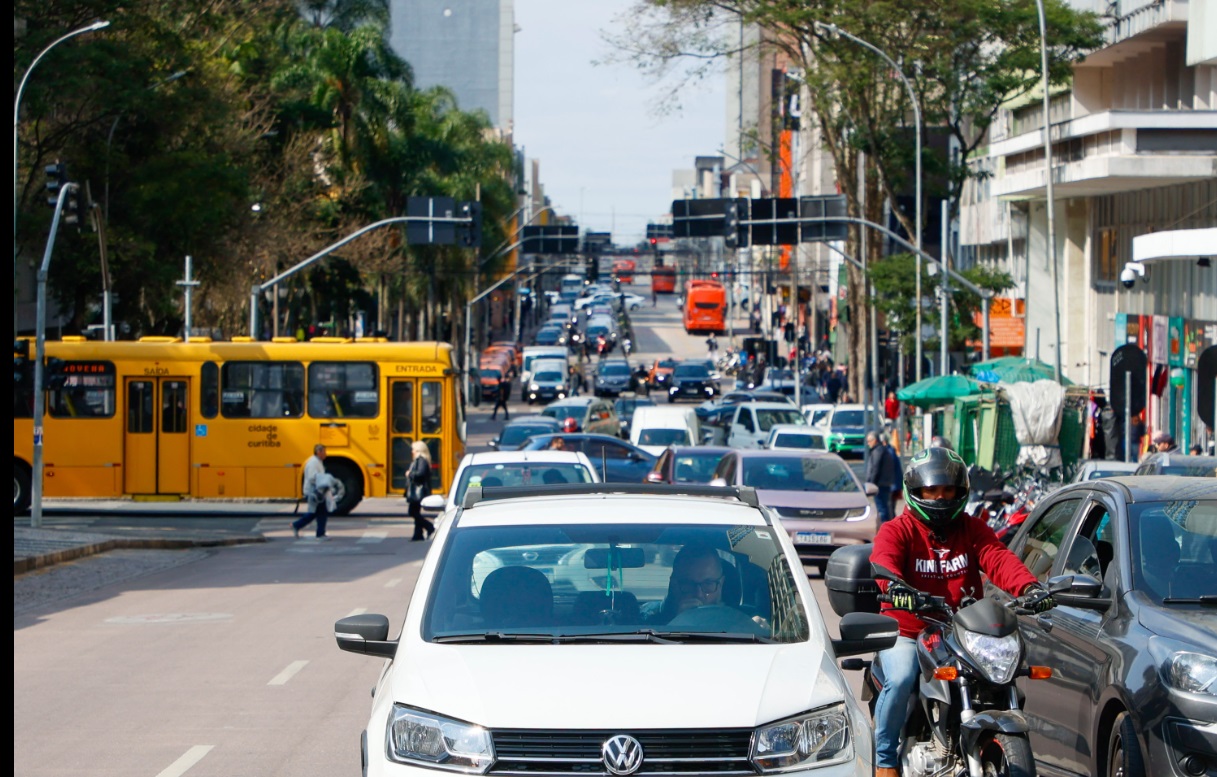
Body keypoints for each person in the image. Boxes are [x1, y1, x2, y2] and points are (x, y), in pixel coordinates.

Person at [869, 448, 1054, 777]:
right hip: (910, 632)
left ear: (960, 492)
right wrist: (896, 590)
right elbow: (884, 565)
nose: (940, 498)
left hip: (963, 631)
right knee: (900, 679)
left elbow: (997, 558)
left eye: (948, 490)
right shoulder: (897, 530)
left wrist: (1030, 588)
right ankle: (884, 761)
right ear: (916, 492)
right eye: (931, 491)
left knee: (1002, 675)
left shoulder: (972, 528)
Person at [292, 444, 332, 539]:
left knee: (316, 512)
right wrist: (323, 481)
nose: (326, 454)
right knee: (320, 512)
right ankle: (319, 533)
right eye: (324, 452)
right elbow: (312, 477)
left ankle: (297, 525)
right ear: (319, 452)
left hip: (317, 492)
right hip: (313, 493)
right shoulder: (313, 463)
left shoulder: (317, 462)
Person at [864, 430, 901, 524]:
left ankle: (886, 528)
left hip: (880, 484)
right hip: (885, 483)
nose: (868, 444)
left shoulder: (878, 451)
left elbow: (875, 468)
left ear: (875, 440)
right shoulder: (883, 450)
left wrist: (871, 484)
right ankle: (889, 527)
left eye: (869, 441)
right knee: (886, 507)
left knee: (882, 508)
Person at [406, 441, 434, 541]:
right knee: (415, 511)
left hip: (419, 491)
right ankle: (418, 534)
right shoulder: (419, 460)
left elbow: (420, 474)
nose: (412, 451)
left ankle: (429, 526)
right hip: (418, 491)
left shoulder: (421, 460)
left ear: (418, 450)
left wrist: (410, 474)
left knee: (412, 512)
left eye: (413, 449)